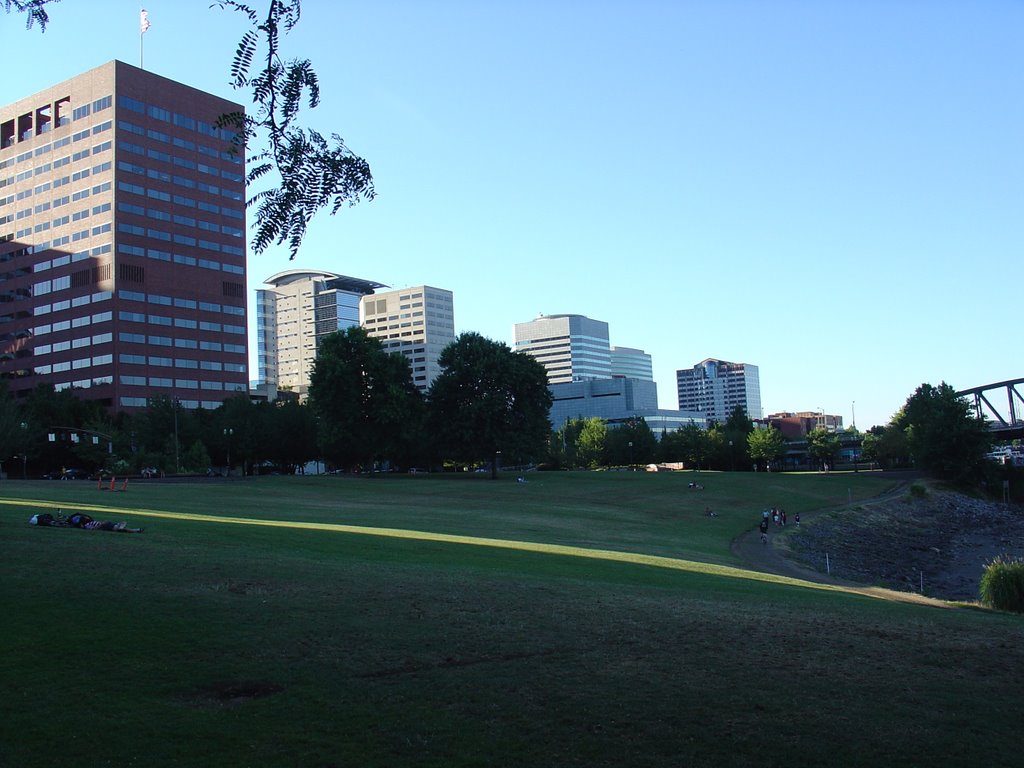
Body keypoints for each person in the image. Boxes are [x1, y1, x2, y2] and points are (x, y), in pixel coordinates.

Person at [29, 511, 143, 533]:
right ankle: (134, 530)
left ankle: (133, 530)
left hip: (95, 525)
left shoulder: (83, 523)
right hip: (96, 525)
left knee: (117, 527)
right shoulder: (102, 525)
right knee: (117, 527)